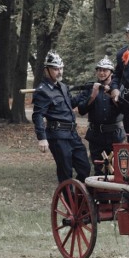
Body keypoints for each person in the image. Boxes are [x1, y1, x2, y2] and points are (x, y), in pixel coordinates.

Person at [32, 50, 91, 183]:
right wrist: (42, 138)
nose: (59, 72)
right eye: (55, 69)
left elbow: (71, 104)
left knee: (85, 168)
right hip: (57, 136)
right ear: (46, 70)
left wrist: (86, 92)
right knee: (66, 172)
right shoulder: (43, 91)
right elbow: (38, 116)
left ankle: (79, 200)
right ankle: (70, 201)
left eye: (61, 68)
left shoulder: (63, 87)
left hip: (72, 134)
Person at [77, 56, 125, 176]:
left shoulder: (119, 88)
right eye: (99, 70)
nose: (102, 73)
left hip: (116, 136)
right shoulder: (90, 87)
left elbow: (125, 110)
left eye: (105, 70)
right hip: (96, 136)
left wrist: (113, 97)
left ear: (111, 73)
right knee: (99, 169)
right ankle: (98, 195)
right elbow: (82, 110)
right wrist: (92, 96)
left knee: (117, 169)